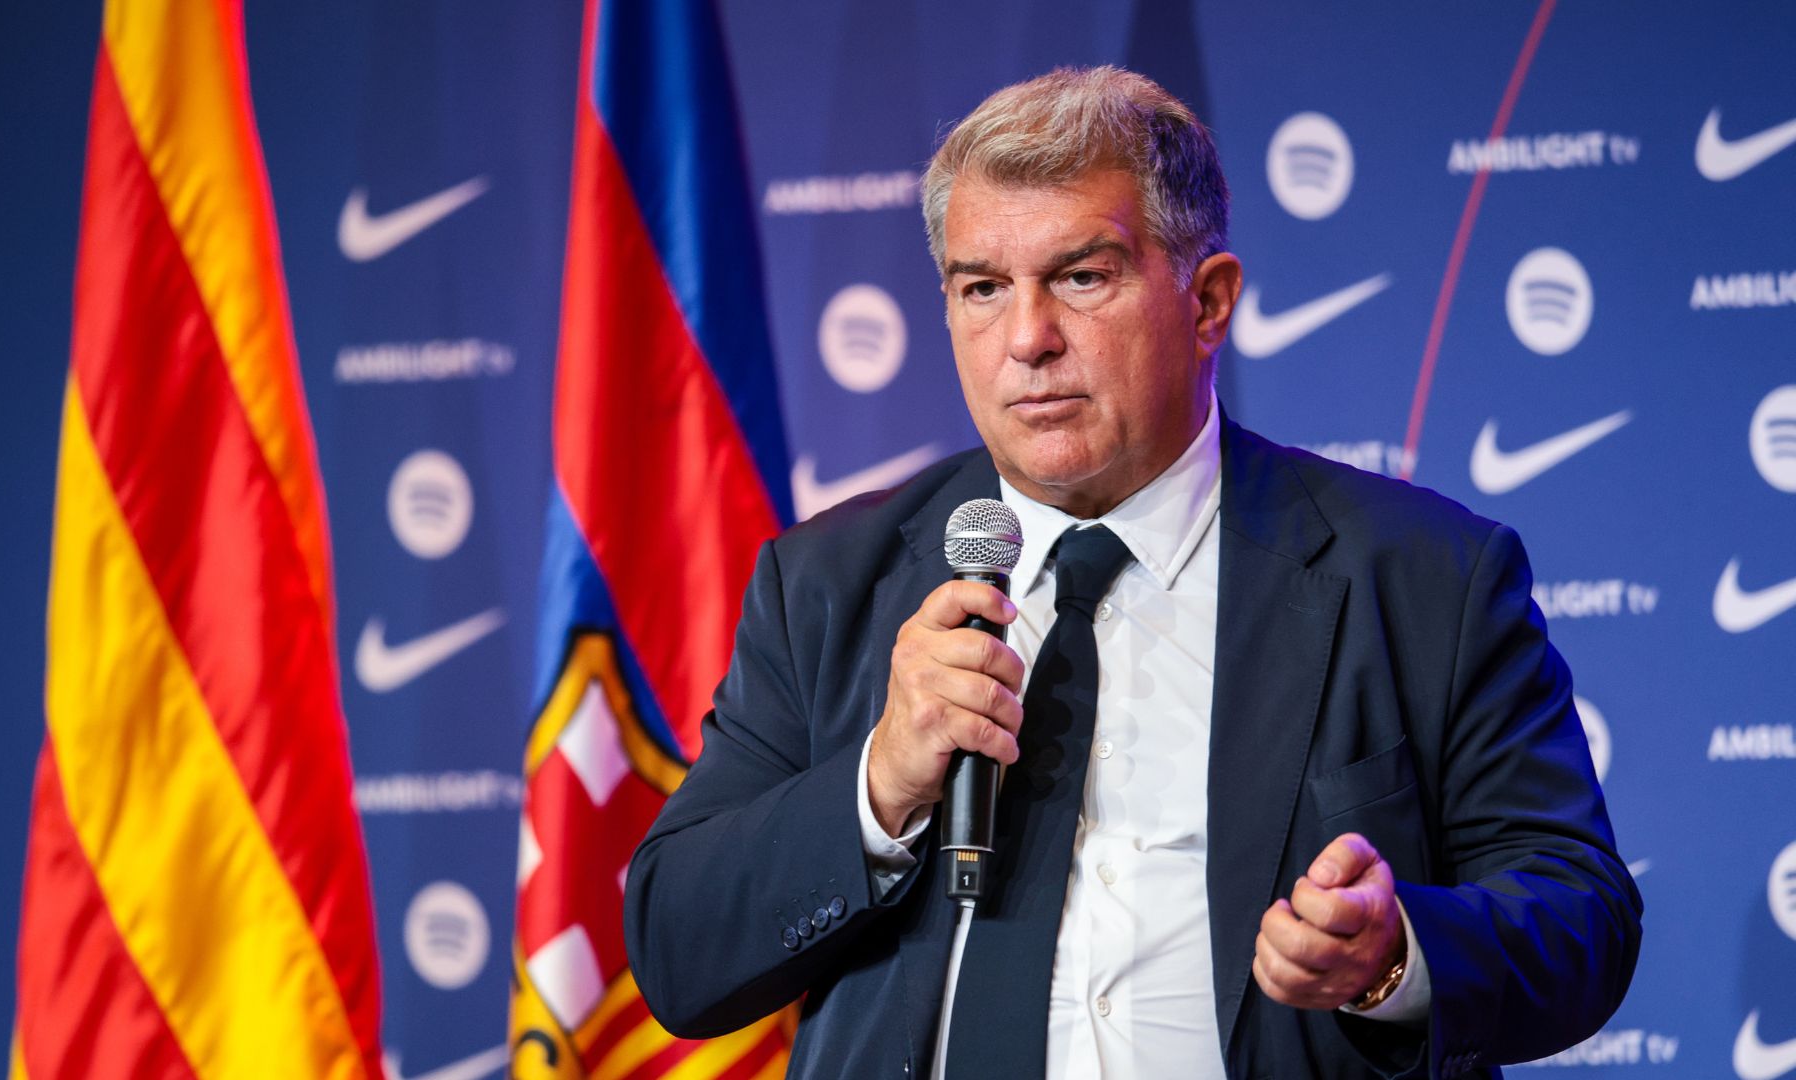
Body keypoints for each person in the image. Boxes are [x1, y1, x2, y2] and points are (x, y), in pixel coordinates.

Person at [623, 66, 1640, 1079]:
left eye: (1082, 277)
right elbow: (679, 953)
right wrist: (880, 783)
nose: (1027, 340)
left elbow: (1579, 912)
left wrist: (1396, 953)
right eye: (982, 288)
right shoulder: (826, 585)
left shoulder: (1422, 576)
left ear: (1209, 302)